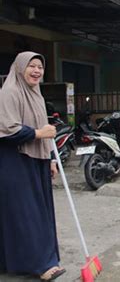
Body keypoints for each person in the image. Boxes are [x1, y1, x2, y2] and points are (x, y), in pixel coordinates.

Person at [0, 52, 66, 281]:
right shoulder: (9, 92)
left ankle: (10, 262)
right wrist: (39, 133)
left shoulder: (36, 94)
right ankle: (42, 264)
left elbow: (44, 128)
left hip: (37, 158)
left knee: (30, 212)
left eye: (40, 66)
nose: (37, 71)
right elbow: (7, 130)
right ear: (19, 68)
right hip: (14, 161)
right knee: (28, 214)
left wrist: (51, 159)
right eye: (32, 66)